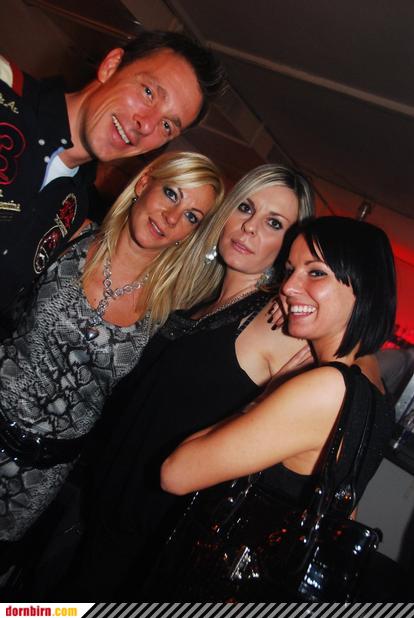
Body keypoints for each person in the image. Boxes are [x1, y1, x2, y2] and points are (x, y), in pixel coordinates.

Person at [41, 163, 315, 601]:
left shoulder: (275, 321)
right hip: (96, 503)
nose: (249, 227)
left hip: (149, 541)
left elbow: (351, 378)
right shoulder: (196, 295)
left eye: (274, 223)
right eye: (246, 207)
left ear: (289, 247)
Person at [151, 216, 396, 601]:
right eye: (289, 270)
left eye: (316, 272)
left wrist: (270, 393)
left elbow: (175, 474)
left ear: (364, 288)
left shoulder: (324, 388)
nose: (289, 287)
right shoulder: (375, 392)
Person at [0, 150, 225, 552]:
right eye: (172, 194)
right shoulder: (70, 233)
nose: (172, 217)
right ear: (145, 183)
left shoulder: (168, 312)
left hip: (39, 475)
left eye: (192, 216)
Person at [0, 30, 226, 331]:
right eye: (148, 92)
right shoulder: (7, 100)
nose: (146, 125)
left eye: (167, 125)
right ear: (111, 66)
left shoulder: (73, 207)